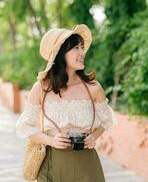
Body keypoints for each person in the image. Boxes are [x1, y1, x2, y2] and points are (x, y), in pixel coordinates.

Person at [15, 24, 118, 182]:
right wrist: (51, 140)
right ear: (60, 54)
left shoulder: (94, 88)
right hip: (51, 163)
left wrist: (93, 136)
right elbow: (24, 126)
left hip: (86, 162)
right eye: (76, 48)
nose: (82, 52)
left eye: (82, 47)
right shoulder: (42, 88)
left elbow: (107, 120)